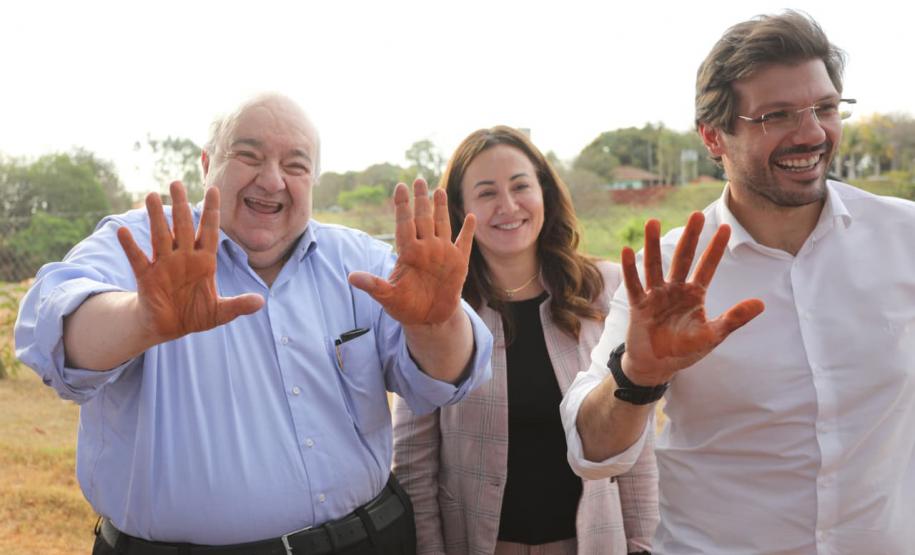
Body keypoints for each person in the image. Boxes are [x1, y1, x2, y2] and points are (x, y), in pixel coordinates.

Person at [15, 93, 494, 554]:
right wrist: (141, 318)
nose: (272, 180)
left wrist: (436, 324)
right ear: (207, 166)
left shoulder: (359, 261)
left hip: (369, 538)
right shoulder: (145, 245)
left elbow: (442, 383)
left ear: (313, 179)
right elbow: (53, 332)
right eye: (250, 156)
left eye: (295, 165)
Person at [561, 10, 915, 554]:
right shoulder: (669, 271)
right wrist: (637, 378)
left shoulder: (904, 237)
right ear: (712, 137)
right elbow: (591, 451)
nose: (812, 133)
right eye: (776, 116)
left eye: (824, 108)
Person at [392, 126, 658, 555]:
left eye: (520, 186)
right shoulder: (440, 308)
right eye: (487, 193)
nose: (508, 206)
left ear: (545, 193)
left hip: (592, 543)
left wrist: (643, 544)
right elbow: (413, 461)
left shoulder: (604, 290)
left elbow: (637, 443)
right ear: (461, 209)